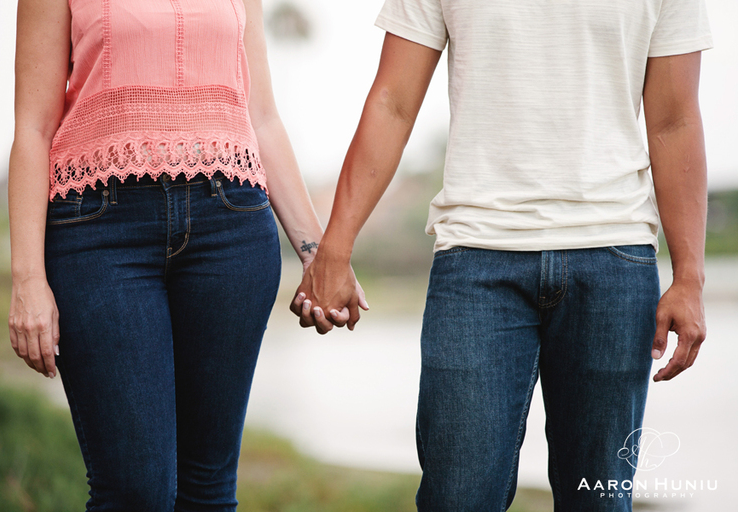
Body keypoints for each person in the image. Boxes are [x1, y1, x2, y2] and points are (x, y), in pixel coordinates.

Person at [292, 0, 711, 510]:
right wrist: (333, 249)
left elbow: (674, 120)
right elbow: (392, 101)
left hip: (613, 259)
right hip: (476, 260)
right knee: (457, 498)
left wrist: (690, 277)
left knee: (598, 500)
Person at [7, 0, 363, 509]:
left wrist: (317, 253)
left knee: (209, 490)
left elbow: (260, 118)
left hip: (230, 229)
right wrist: (27, 278)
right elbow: (33, 130)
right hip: (99, 233)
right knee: (135, 492)